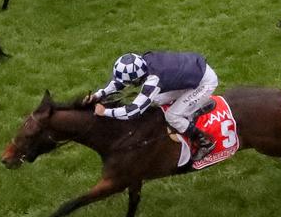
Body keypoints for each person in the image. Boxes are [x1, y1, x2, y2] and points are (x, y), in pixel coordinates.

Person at [84, 52, 218, 163]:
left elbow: (133, 111)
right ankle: (193, 106)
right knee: (157, 98)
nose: (128, 85)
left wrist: (105, 112)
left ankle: (204, 142)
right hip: (193, 70)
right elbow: (119, 83)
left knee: (172, 116)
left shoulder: (153, 81)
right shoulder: (142, 61)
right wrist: (97, 95)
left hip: (204, 82)